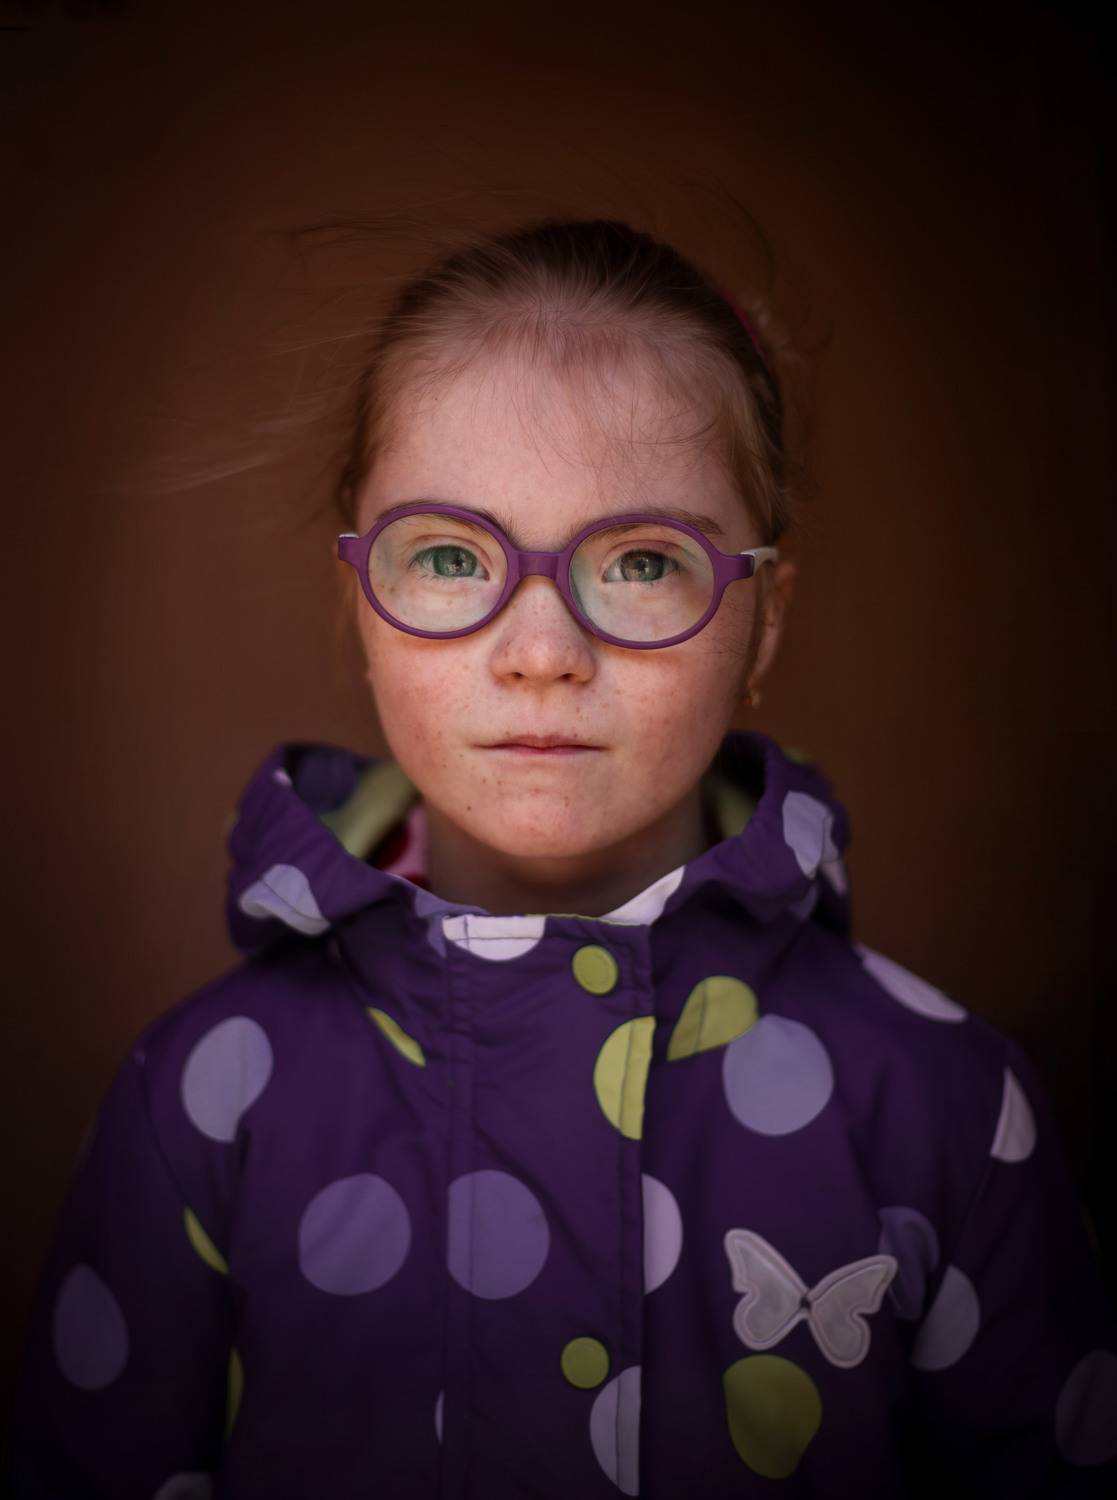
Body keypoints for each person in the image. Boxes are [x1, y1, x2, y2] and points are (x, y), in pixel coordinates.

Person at [9, 217, 1116, 1499]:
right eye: (448, 556)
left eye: (642, 562)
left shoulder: (945, 1108)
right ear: (356, 602)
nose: (541, 653)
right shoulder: (203, 1099)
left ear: (763, 620)